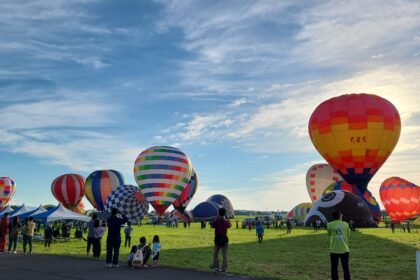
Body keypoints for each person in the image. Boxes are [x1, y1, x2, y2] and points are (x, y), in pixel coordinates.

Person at [327, 210, 351, 280]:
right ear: (340, 216)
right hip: (344, 249)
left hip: (334, 249)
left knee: (334, 268)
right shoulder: (346, 224)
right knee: (346, 268)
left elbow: (329, 234)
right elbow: (348, 235)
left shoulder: (329, 224)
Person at [210, 208, 231, 274]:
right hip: (225, 239)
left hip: (217, 239)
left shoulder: (217, 221)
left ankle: (216, 268)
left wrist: (216, 218)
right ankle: (224, 269)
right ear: (224, 213)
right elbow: (229, 225)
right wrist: (227, 220)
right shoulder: (225, 221)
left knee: (215, 254)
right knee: (224, 255)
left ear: (219, 213)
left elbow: (211, 225)